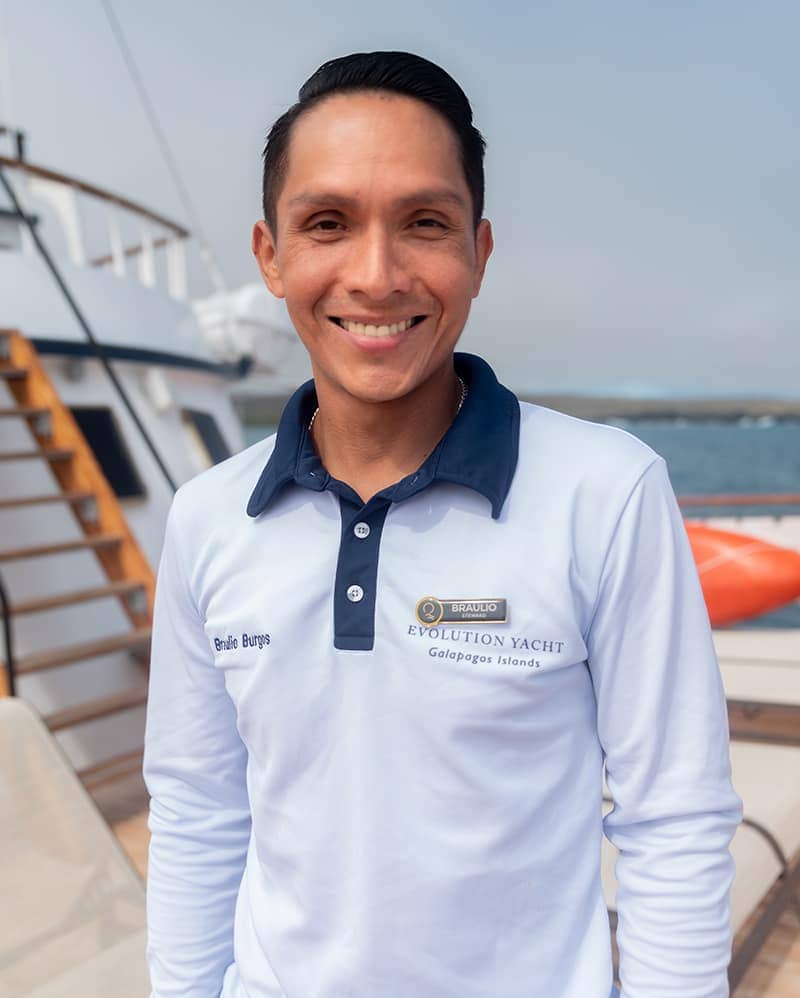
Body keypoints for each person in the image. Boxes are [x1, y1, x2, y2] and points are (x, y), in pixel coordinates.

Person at [144, 51, 742, 998]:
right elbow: (197, 808)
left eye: (425, 223)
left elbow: (674, 817)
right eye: (327, 224)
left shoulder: (606, 492)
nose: (376, 277)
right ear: (271, 254)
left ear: (479, 251)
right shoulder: (207, 519)